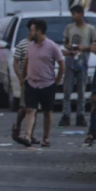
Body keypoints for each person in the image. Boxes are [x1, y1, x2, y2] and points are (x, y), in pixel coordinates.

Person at [17, 19, 65, 148]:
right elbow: (27, 62)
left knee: (47, 111)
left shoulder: (52, 46)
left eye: (31, 30)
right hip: (31, 83)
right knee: (30, 109)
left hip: (47, 84)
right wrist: (23, 78)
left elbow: (61, 64)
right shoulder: (30, 46)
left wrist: (57, 81)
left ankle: (46, 138)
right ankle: (27, 136)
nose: (29, 33)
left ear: (38, 31)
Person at [59, 5, 96, 127]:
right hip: (70, 61)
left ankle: (80, 115)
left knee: (81, 91)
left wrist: (83, 48)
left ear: (81, 14)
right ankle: (66, 115)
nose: (73, 16)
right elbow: (65, 42)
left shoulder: (89, 29)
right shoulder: (69, 28)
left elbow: (93, 45)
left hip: (83, 62)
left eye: (74, 14)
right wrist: (69, 47)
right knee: (67, 90)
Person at [11, 20, 34, 144]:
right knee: (25, 107)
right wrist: (20, 77)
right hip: (26, 79)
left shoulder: (41, 45)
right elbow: (15, 61)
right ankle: (17, 125)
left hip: (37, 79)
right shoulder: (23, 44)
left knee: (33, 108)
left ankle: (30, 134)